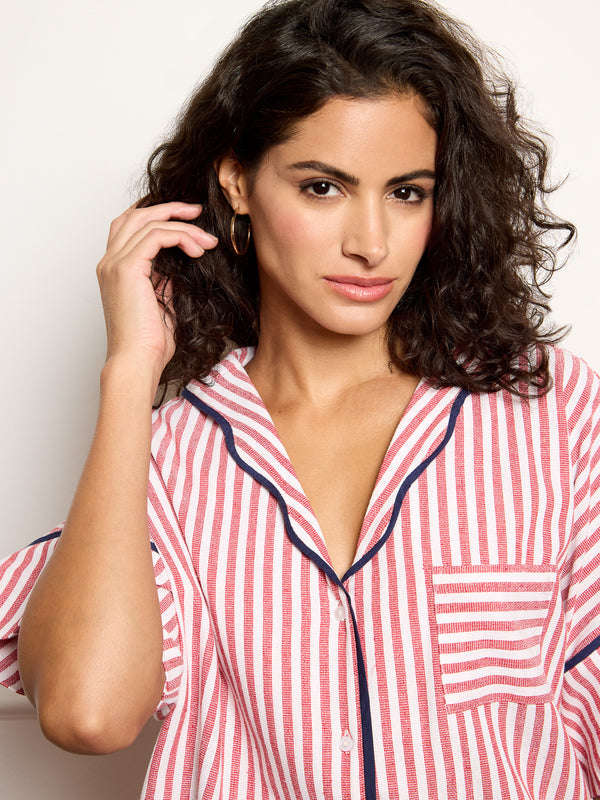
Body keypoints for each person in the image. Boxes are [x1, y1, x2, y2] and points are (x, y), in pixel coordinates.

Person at [0, 0, 599, 798]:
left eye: (407, 192)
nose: (372, 242)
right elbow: (87, 713)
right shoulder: (170, 458)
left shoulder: (549, 411)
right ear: (237, 182)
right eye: (323, 186)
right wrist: (130, 370)